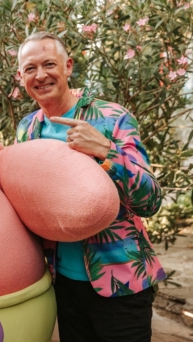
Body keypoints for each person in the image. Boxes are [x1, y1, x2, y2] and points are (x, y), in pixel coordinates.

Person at [15, 31, 166, 342]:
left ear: (68, 66)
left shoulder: (111, 118)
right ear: (21, 76)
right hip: (64, 285)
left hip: (122, 284)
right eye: (30, 68)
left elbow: (150, 201)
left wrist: (106, 152)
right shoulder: (27, 129)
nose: (40, 75)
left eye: (49, 64)